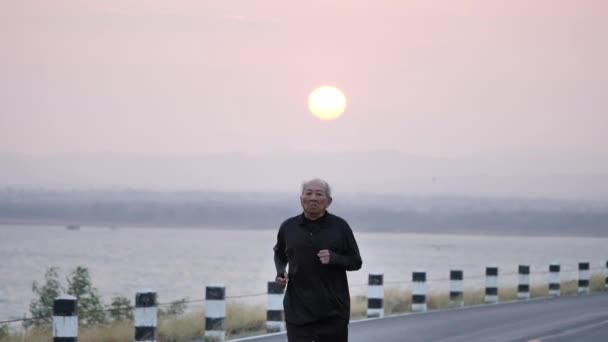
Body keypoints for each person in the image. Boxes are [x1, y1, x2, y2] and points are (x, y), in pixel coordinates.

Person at [273, 178, 362, 342]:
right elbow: (279, 253)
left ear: (328, 201)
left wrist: (334, 258)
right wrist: (280, 273)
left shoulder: (340, 227)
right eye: (308, 193)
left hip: (333, 313)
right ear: (301, 199)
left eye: (319, 193)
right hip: (297, 311)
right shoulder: (288, 227)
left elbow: (356, 261)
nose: (313, 198)